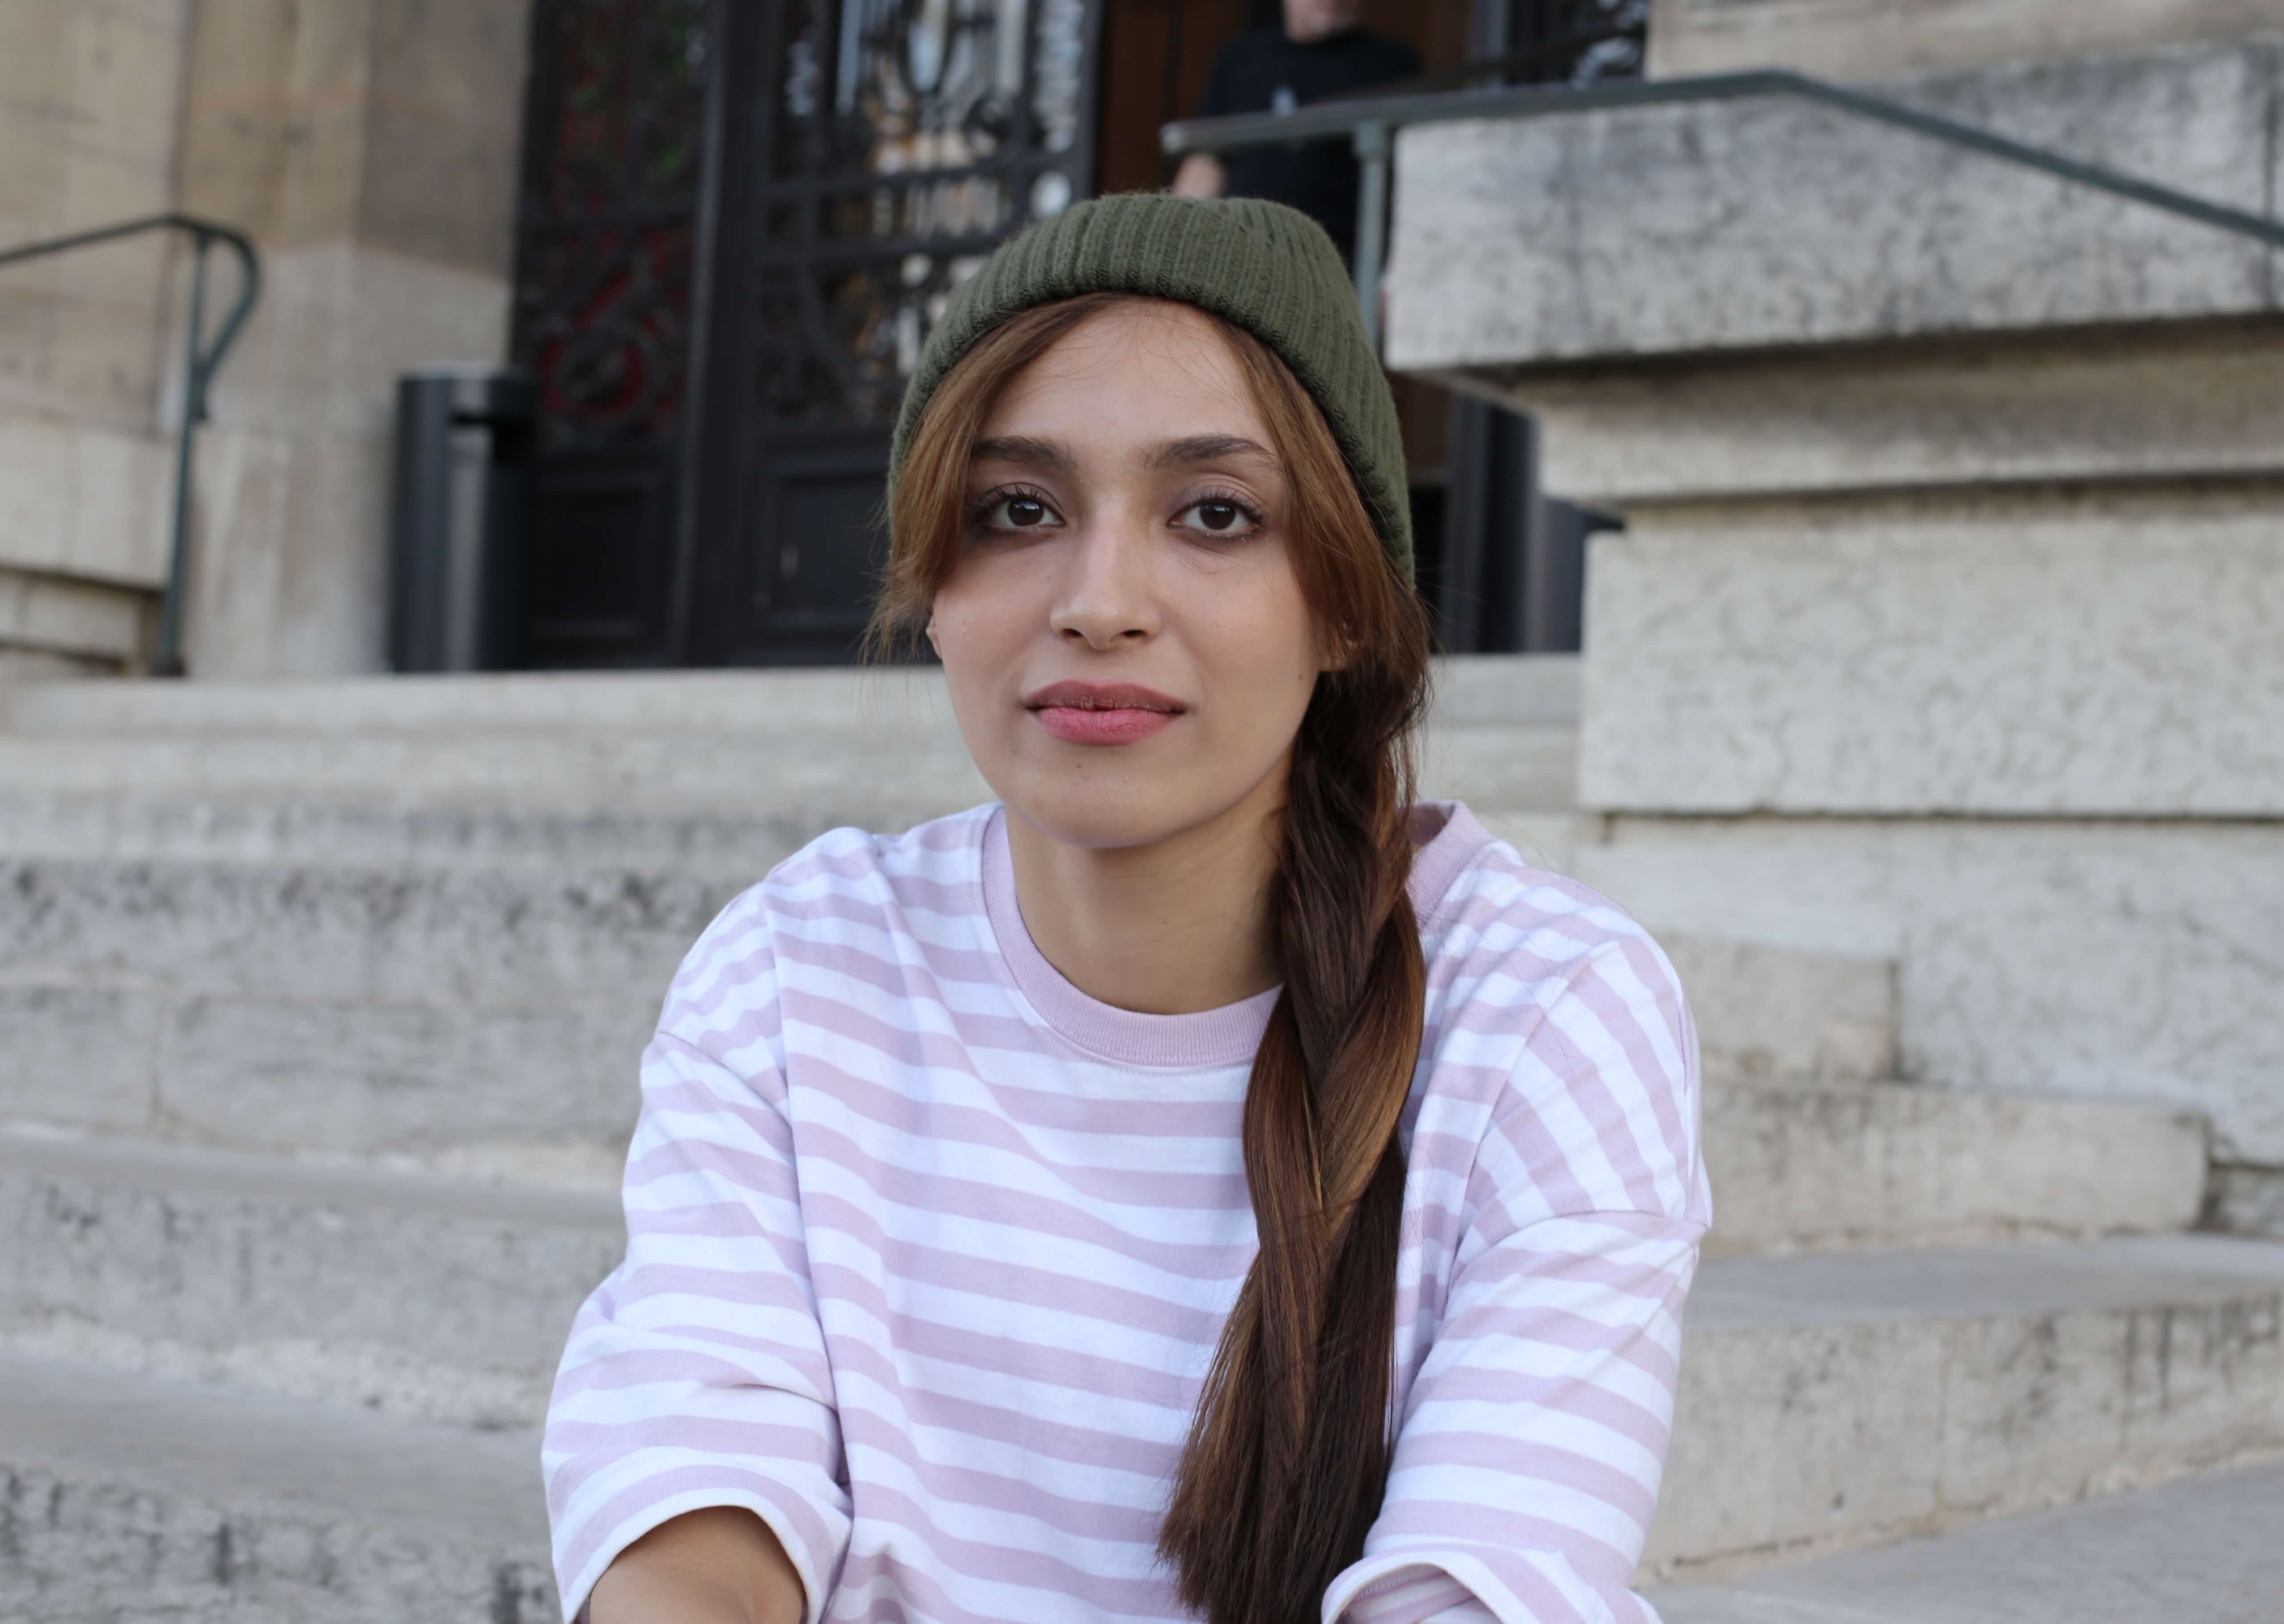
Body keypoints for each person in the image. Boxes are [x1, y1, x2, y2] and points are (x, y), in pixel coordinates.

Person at [543, 194, 1707, 1624]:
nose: (1101, 601)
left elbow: (1483, 1577)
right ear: (934, 583)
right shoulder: (803, 967)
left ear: (1344, 602)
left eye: (1215, 514)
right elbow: (690, 1485)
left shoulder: (1546, 1013)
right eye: (1017, 510)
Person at [1172, 0, 1420, 257]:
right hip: (1242, 247)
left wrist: (1390, 273)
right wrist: (1178, 239)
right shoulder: (1241, 59)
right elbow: (1207, 162)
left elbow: (1410, 181)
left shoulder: (1391, 65)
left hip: (1340, 259)